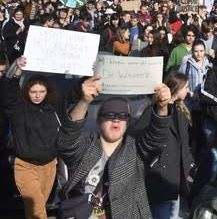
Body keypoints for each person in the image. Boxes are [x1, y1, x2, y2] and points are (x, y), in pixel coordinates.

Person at [56, 76, 173, 219]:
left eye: (122, 115)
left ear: (128, 122)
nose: (116, 119)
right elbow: (67, 140)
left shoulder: (135, 147)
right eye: (110, 114)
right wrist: (84, 101)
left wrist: (162, 107)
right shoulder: (86, 145)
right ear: (99, 120)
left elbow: (156, 137)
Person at [2, 58, 59, 219]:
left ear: (47, 92)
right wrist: (16, 73)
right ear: (27, 91)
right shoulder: (18, 109)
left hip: (49, 167)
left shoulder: (52, 109)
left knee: (36, 208)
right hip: (25, 167)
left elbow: (75, 97)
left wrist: (88, 74)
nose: (37, 95)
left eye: (41, 91)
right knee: (37, 211)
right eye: (33, 91)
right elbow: (7, 94)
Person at [132, 71, 194, 219]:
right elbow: (141, 140)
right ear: (177, 89)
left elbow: (183, 144)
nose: (188, 90)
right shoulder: (153, 111)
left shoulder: (180, 109)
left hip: (173, 177)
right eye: (186, 87)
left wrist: (189, 163)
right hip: (159, 178)